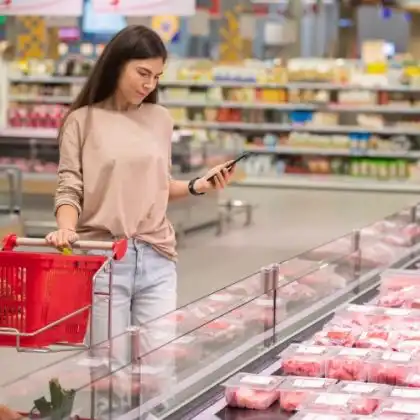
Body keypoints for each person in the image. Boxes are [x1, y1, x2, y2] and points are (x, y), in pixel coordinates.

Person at [45, 25, 235, 416]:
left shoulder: (159, 118)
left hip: (157, 255)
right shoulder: (81, 121)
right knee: (110, 374)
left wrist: (198, 186)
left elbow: (159, 185)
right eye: (142, 73)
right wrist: (66, 226)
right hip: (103, 261)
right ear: (117, 65)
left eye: (157, 76)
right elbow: (69, 188)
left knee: (157, 371)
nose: (149, 84)